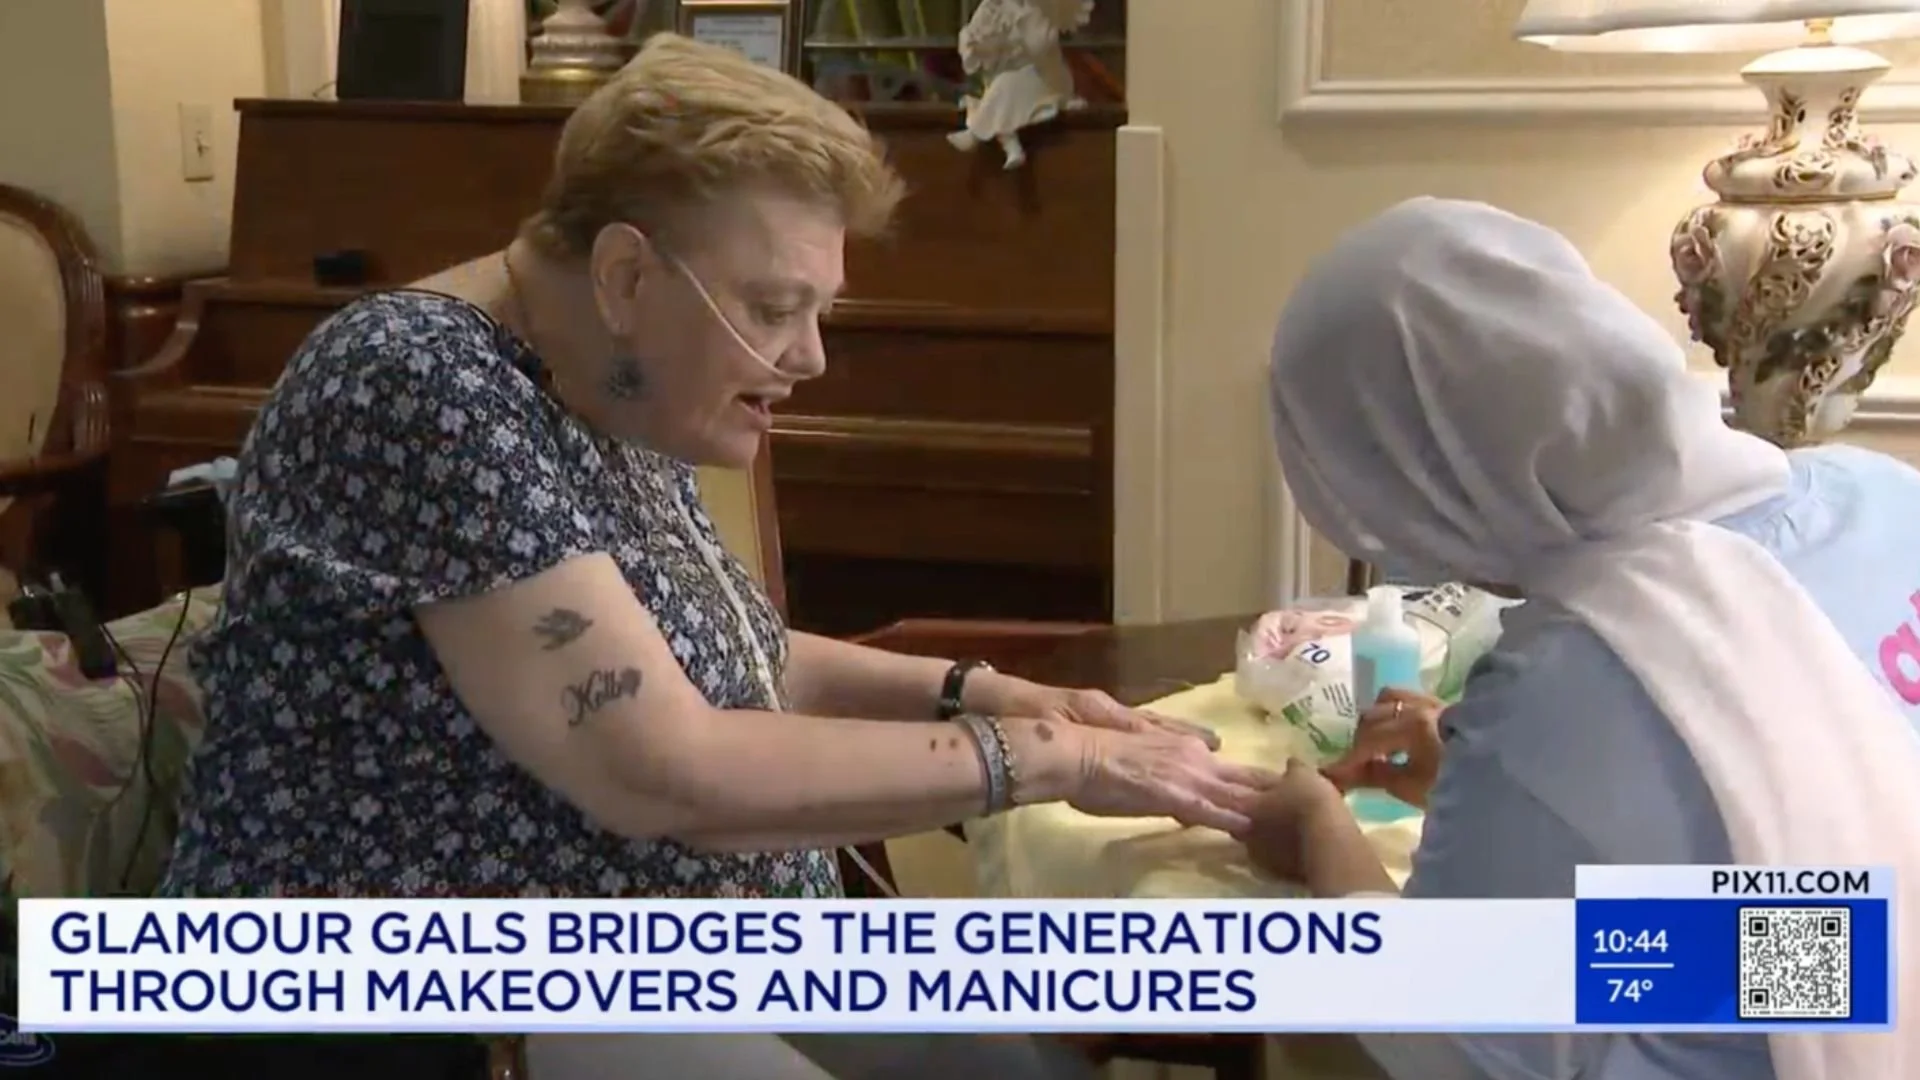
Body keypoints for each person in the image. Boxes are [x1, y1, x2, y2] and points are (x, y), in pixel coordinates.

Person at [157, 33, 1277, 1080]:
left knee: (1015, 1063)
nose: (811, 357)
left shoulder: (605, 380)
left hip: (690, 954)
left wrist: (980, 691)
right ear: (626, 277)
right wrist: (1045, 758)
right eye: (776, 308)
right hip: (431, 1010)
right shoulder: (416, 383)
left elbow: (727, 651)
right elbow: (661, 768)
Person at [1242, 198, 1920, 1080]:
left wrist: (1317, 832)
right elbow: (1832, 943)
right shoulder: (1884, 494)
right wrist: (1526, 806)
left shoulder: (1567, 683)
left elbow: (1437, 1042)